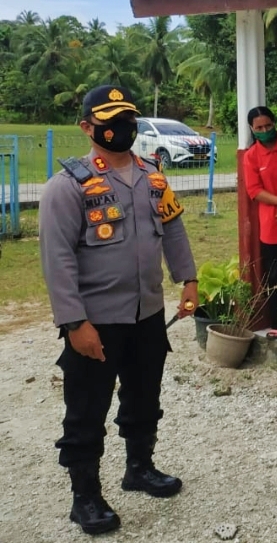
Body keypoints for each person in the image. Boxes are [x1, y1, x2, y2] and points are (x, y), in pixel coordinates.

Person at [38, 85, 198, 535]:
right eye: (109, 122)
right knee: (87, 408)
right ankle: (85, 496)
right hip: (97, 320)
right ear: (87, 128)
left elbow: (173, 228)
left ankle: (139, 467)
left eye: (127, 119)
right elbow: (57, 260)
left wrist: (188, 279)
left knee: (144, 396)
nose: (121, 128)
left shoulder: (153, 176)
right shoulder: (68, 186)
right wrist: (74, 322)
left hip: (147, 313)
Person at [242, 106, 277, 338]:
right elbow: (254, 190)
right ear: (252, 129)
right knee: (275, 277)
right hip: (272, 226)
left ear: (275, 123)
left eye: (268, 125)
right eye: (259, 128)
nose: (264, 131)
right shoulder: (251, 156)